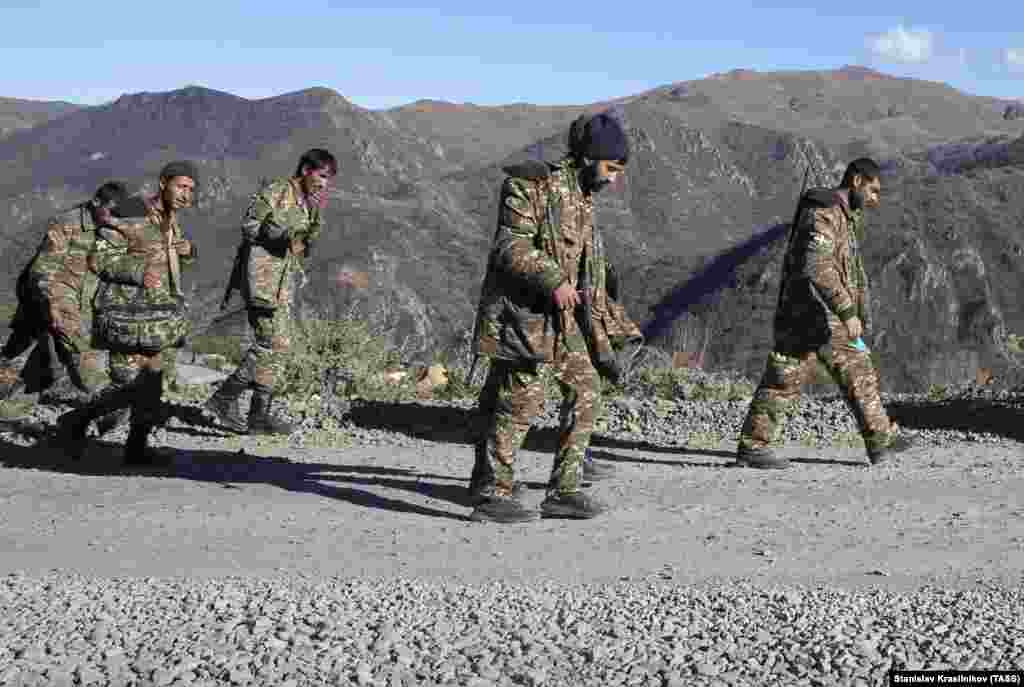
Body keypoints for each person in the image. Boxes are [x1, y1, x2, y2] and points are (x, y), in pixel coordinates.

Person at [467, 111, 630, 523]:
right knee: (518, 403)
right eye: (611, 167)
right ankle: (492, 494)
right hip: (527, 317)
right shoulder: (531, 186)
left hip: (569, 320)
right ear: (590, 156)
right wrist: (553, 278)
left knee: (587, 390)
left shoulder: (583, 195)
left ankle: (565, 489)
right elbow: (510, 246)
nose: (614, 179)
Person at [736, 157, 913, 468]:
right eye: (872, 191)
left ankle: (879, 440)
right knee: (830, 373)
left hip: (810, 312)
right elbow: (817, 266)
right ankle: (880, 440)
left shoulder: (841, 215)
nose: (875, 200)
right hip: (815, 314)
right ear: (856, 181)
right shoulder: (825, 213)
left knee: (819, 373)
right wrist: (847, 311)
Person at [54, 161, 198, 464]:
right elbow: (101, 259)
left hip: (156, 316)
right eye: (181, 186)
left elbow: (163, 266)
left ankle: (135, 449)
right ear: (163, 183)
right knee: (129, 383)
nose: (186, 194)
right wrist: (137, 270)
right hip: (125, 315)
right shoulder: (132, 212)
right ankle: (76, 420)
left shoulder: (170, 219)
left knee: (151, 382)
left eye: (191, 189)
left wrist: (185, 252)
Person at [204, 148, 336, 435]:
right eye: (321, 175)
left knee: (278, 346)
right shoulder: (278, 191)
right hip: (262, 279)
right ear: (305, 170)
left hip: (282, 282)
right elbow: (250, 226)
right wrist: (285, 233)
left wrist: (316, 216)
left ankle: (257, 414)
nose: (325, 183)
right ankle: (225, 400)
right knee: (271, 344)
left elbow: (305, 244)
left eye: (329, 179)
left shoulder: (308, 202)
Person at [0, 181, 130, 405]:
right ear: (96, 202)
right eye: (110, 210)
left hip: (77, 305)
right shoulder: (67, 224)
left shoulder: (110, 228)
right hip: (44, 302)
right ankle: (103, 398)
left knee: (47, 366)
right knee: (23, 354)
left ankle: (11, 412)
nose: (112, 217)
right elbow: (42, 271)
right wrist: (56, 308)